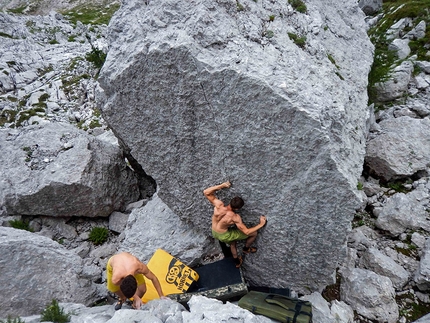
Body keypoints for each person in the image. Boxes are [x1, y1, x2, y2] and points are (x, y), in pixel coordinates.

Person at [203, 181, 267, 268]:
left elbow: (206, 192)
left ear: (230, 202)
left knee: (233, 243)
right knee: (254, 234)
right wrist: (260, 224)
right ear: (237, 208)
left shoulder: (219, 205)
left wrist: (222, 185)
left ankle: (237, 262)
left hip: (214, 231)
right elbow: (247, 231)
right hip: (224, 235)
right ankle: (246, 249)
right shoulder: (235, 217)